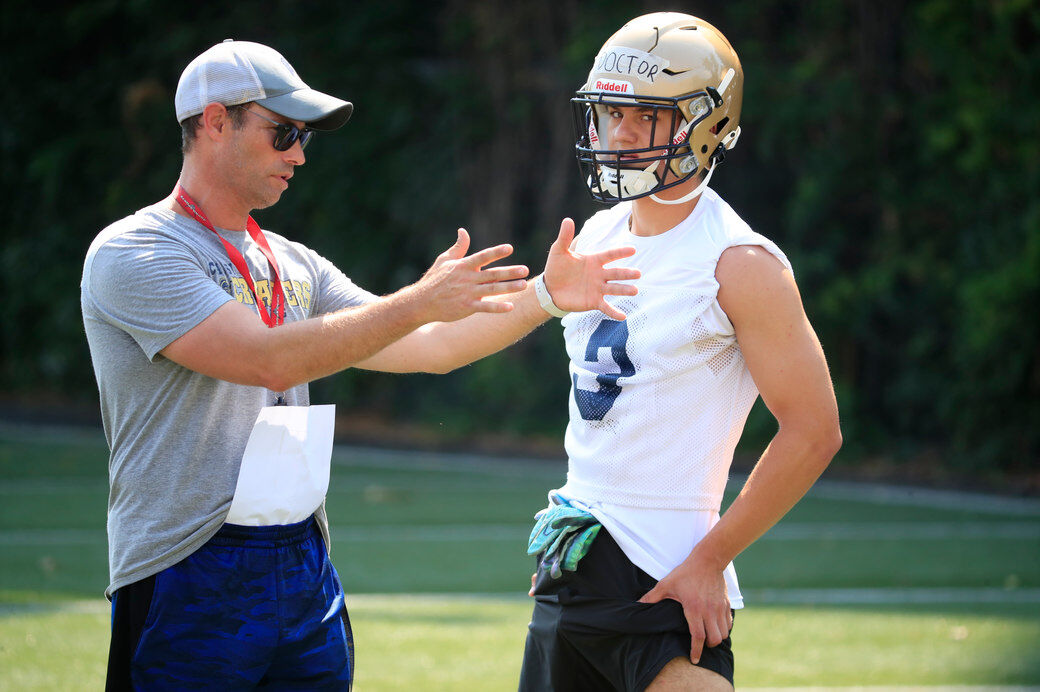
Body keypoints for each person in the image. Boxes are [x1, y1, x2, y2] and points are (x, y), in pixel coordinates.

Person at [81, 39, 639, 690]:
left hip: (301, 559)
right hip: (184, 565)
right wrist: (415, 303)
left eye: (304, 137)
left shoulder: (293, 262)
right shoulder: (135, 254)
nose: (299, 153)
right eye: (283, 132)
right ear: (213, 121)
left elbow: (430, 345)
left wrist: (545, 296)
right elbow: (265, 359)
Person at [517, 13, 843, 691]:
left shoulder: (740, 262)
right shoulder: (594, 236)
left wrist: (710, 560)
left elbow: (814, 431)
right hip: (572, 559)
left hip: (660, 570)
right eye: (610, 112)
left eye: (647, 116)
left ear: (707, 125)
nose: (621, 132)